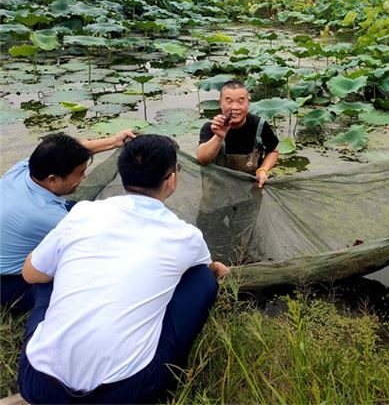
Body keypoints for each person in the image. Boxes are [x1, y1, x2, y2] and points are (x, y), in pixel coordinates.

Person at [18, 134, 230, 404]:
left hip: (38, 383)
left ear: (121, 174)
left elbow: (30, 274)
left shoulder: (83, 213)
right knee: (202, 278)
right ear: (171, 180)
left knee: (45, 272)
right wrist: (217, 269)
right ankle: (168, 379)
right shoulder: (185, 235)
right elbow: (210, 268)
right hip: (123, 392)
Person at [0, 130, 135, 313]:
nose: (84, 177)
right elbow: (105, 244)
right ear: (53, 179)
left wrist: (113, 142)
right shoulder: (47, 215)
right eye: (79, 173)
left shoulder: (23, 169)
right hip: (9, 284)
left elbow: (75, 149)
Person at [197, 79, 279, 188]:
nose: (235, 107)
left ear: (248, 103)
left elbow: (273, 151)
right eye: (229, 101)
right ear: (220, 103)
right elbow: (202, 159)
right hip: (217, 193)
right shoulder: (211, 127)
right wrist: (218, 136)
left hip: (250, 192)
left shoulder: (259, 125)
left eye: (241, 101)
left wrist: (263, 169)